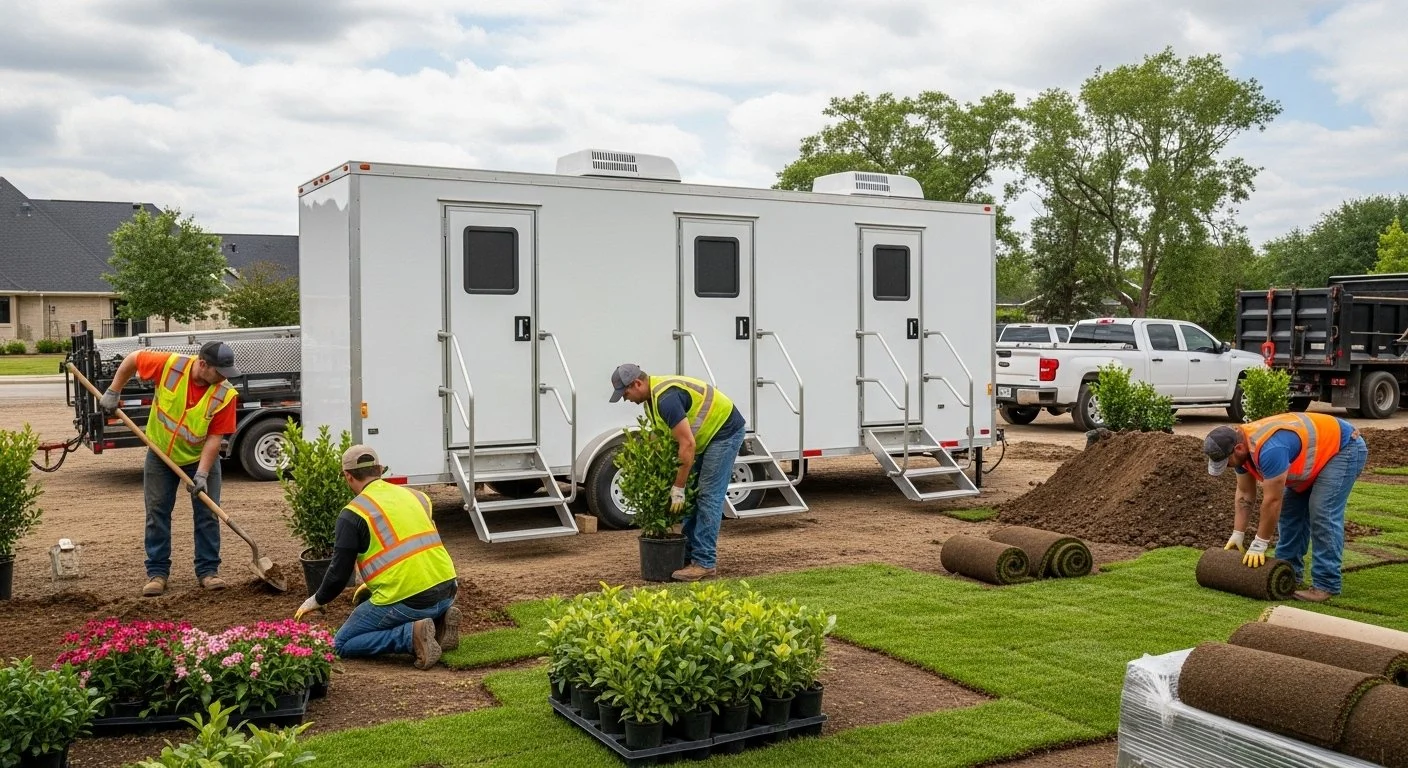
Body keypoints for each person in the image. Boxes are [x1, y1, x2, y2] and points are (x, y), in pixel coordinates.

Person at [295, 445, 461, 670]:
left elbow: (339, 572)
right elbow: (415, 551)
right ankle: (440, 620)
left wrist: (316, 600)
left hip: (411, 600)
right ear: (380, 469)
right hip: (449, 589)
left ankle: (410, 636)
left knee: (341, 643)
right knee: (401, 603)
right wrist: (370, 585)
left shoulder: (353, 513)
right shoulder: (418, 497)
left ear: (348, 475)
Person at [99, 341, 242, 597]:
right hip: (160, 455)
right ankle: (157, 573)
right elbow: (133, 358)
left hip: (199, 458)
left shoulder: (225, 394)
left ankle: (208, 571)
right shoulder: (171, 366)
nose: (223, 377)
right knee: (157, 513)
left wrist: (202, 473)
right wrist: (113, 390)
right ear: (202, 364)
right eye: (219, 371)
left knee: (208, 514)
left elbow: (214, 437)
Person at [1202, 412, 1368, 603]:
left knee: (1323, 512)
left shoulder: (1270, 449)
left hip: (1343, 448)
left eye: (1227, 462)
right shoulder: (1240, 452)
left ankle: (1325, 585)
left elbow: (1272, 501)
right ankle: (1289, 574)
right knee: (1291, 513)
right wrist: (1238, 533)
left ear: (1238, 449)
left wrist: (1259, 544)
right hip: (1316, 456)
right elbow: (1245, 494)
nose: (1228, 466)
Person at [610, 363, 746, 582]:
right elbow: (662, 439)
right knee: (694, 496)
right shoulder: (651, 402)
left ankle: (704, 563)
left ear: (637, 383)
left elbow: (687, 445)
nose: (626, 398)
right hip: (704, 439)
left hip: (724, 432)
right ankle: (689, 555)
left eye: (625, 393)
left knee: (707, 496)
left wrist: (678, 487)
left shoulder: (666, 399)